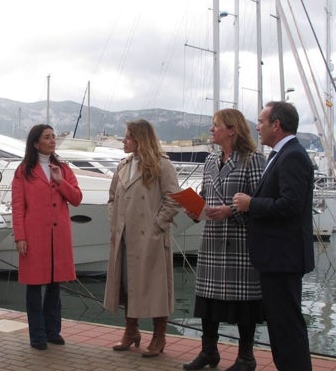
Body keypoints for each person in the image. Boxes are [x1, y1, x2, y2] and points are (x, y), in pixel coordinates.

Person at [233, 101, 314, 371]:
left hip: (283, 258)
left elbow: (291, 204)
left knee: (287, 326)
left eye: (261, 121)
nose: (257, 126)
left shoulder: (292, 156)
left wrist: (251, 204)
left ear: (276, 125)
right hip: (275, 258)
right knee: (280, 326)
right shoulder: (279, 155)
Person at [183, 109, 266, 371]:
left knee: (244, 302)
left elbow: (260, 203)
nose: (211, 129)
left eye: (215, 125)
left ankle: (246, 358)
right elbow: (206, 196)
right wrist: (194, 210)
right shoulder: (209, 161)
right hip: (212, 241)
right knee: (208, 302)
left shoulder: (253, 160)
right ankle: (209, 352)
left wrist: (232, 211)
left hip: (239, 242)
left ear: (232, 129)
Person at [103, 119, 181, 358]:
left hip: (151, 239)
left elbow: (174, 199)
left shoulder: (162, 165)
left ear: (140, 139)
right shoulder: (123, 166)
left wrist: (157, 225)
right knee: (127, 283)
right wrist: (115, 223)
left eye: (127, 136)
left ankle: (159, 336)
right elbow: (112, 198)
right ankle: (131, 331)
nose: (123, 140)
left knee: (156, 287)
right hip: (125, 236)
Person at [11, 124, 83, 350]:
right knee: (34, 286)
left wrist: (61, 182)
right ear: (35, 143)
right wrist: (20, 237)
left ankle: (53, 331)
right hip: (34, 236)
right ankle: (37, 335)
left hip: (58, 235)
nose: (52, 140)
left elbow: (77, 198)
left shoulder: (63, 168)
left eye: (53, 137)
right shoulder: (23, 171)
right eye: (47, 137)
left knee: (55, 285)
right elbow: (18, 206)